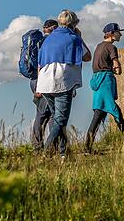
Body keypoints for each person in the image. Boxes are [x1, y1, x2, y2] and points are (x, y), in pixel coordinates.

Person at [37, 9, 91, 158]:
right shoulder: (74, 38)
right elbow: (87, 57)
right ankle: (45, 153)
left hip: (44, 82)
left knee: (57, 120)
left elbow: (40, 63)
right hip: (62, 82)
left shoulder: (48, 39)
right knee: (60, 120)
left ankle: (63, 154)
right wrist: (80, 37)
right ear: (74, 24)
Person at [85, 23, 124, 154]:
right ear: (111, 33)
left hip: (97, 81)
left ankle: (87, 147)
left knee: (99, 113)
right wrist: (117, 68)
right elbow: (117, 67)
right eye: (118, 32)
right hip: (106, 81)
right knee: (115, 110)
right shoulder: (111, 47)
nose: (120, 34)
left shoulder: (98, 47)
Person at [30, 19, 58, 151]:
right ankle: (48, 147)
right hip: (43, 79)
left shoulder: (40, 41)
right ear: (52, 28)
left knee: (42, 113)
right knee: (49, 114)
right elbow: (42, 65)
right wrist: (40, 85)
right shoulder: (49, 42)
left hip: (36, 80)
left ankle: (40, 146)